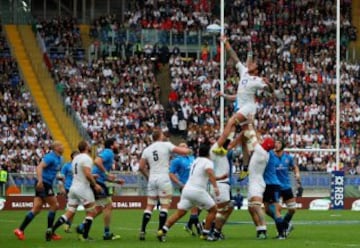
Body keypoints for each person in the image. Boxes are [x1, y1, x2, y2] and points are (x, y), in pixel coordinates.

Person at [213, 36, 274, 158]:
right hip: (243, 107)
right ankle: (254, 157)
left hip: (249, 108)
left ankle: (220, 147)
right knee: (246, 135)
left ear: (256, 70)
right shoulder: (244, 72)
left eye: (254, 64)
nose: (251, 64)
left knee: (231, 122)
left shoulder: (257, 80)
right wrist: (226, 42)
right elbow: (234, 56)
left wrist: (269, 84)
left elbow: (271, 91)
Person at [157, 142, 220, 242]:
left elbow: (202, 173)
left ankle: (162, 231)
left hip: (187, 189)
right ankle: (206, 234)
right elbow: (209, 172)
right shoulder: (207, 162)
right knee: (213, 210)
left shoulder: (196, 160)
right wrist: (216, 188)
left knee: (179, 213)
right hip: (197, 190)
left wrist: (218, 178)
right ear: (209, 152)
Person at [138, 129, 192, 241]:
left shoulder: (147, 150)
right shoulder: (166, 145)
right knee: (165, 206)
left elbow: (140, 167)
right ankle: (160, 232)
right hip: (163, 178)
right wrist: (188, 150)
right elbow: (181, 151)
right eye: (162, 134)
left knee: (149, 206)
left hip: (152, 178)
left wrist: (148, 176)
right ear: (160, 136)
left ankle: (142, 230)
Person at [51, 141, 102, 241]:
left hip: (73, 188)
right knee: (92, 212)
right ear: (86, 147)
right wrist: (95, 184)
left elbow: (80, 173)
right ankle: (85, 236)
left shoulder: (76, 159)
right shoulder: (87, 158)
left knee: (69, 213)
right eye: (89, 145)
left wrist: (92, 176)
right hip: (83, 188)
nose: (90, 146)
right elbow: (87, 174)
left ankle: (51, 231)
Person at [14, 141, 64, 241]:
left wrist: (59, 178)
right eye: (60, 145)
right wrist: (40, 180)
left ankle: (20, 230)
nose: (63, 147)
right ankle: (50, 232)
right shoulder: (50, 157)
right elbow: (39, 167)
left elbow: (52, 171)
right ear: (55, 148)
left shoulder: (60, 158)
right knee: (55, 205)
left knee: (36, 208)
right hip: (44, 183)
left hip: (46, 183)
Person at [77, 138, 124, 240]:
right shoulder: (108, 152)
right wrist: (107, 173)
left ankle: (82, 226)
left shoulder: (108, 154)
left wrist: (115, 181)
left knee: (99, 208)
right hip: (97, 182)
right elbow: (97, 161)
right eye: (116, 143)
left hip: (97, 180)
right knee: (108, 205)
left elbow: (102, 173)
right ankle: (106, 233)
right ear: (111, 146)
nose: (118, 145)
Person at [169, 142, 201, 236]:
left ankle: (189, 225)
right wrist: (179, 183)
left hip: (196, 186)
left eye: (186, 146)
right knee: (194, 208)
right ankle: (199, 229)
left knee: (197, 207)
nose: (185, 148)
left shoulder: (192, 158)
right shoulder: (177, 160)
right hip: (186, 187)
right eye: (182, 147)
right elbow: (171, 173)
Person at [273, 139, 300, 236]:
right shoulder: (271, 157)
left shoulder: (288, 158)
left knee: (292, 209)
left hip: (286, 186)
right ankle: (280, 231)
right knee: (277, 209)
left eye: (279, 142)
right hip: (276, 187)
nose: (276, 144)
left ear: (283, 145)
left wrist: (297, 174)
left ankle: (285, 226)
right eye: (275, 143)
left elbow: (295, 167)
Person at [209, 138, 234, 240]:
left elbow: (232, 144)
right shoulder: (215, 153)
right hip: (220, 184)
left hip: (223, 184)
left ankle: (214, 229)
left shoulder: (223, 153)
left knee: (228, 207)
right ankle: (213, 231)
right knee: (223, 209)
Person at [263, 142, 288, 239]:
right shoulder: (268, 154)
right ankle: (284, 224)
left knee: (276, 209)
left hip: (273, 184)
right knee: (267, 210)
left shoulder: (270, 154)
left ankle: (282, 234)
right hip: (266, 185)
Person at [58, 150, 80, 233]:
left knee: (73, 208)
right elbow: (61, 176)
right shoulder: (67, 165)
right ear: (72, 156)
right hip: (68, 188)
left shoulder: (79, 166)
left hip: (77, 188)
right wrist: (61, 187)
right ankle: (66, 225)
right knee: (71, 208)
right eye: (76, 155)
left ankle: (67, 224)